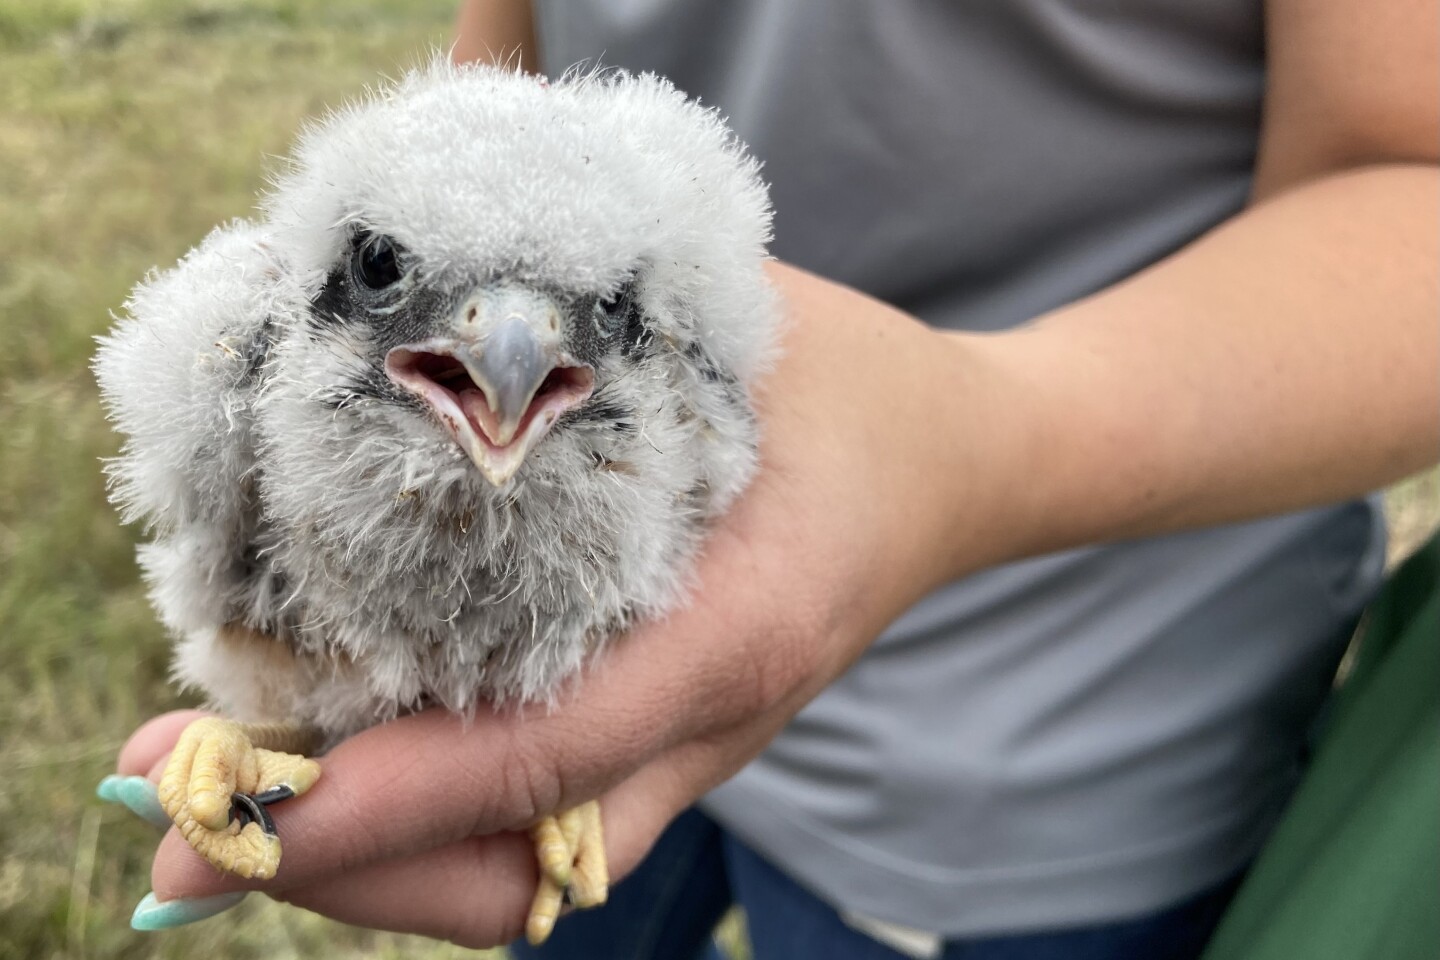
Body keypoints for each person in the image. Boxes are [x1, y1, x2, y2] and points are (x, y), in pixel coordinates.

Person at [114, 1, 1439, 958]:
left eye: (597, 316)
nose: (505, 349)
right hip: (600, 701)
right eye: (402, 280)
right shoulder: (250, 359)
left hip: (1046, 713)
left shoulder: (678, 392)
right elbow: (501, 67)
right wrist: (294, 718)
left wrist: (969, 441)